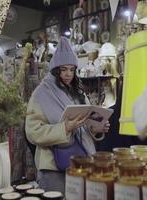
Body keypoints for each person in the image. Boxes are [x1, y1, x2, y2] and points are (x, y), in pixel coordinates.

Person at [25, 37, 110, 193]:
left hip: (82, 161)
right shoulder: (41, 94)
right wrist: (64, 129)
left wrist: (97, 128)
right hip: (53, 168)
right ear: (55, 70)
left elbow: (84, 128)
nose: (68, 74)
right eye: (63, 69)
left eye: (72, 69)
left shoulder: (78, 92)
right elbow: (33, 132)